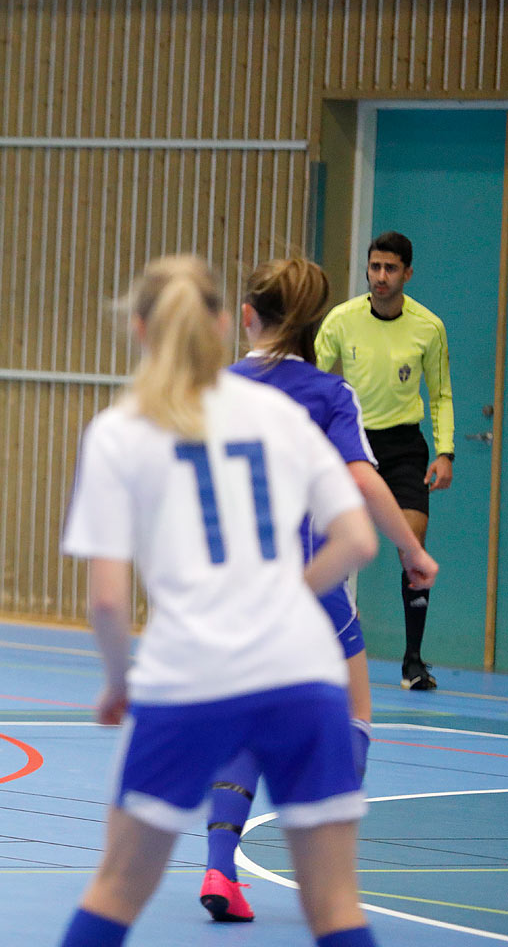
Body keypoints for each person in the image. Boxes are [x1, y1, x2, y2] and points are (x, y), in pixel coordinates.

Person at [58, 256, 380, 947]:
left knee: (115, 891)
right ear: (219, 322)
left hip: (190, 675)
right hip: (303, 670)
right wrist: (285, 599)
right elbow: (357, 537)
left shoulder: (122, 431)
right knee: (337, 909)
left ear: (140, 329)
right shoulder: (280, 412)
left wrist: (118, 686)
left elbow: (110, 603)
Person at [198, 257, 439, 923]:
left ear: (248, 316)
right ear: (315, 323)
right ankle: (330, 869)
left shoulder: (216, 389)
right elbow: (362, 481)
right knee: (354, 709)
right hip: (309, 579)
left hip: (232, 586)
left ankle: (219, 871)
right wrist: (411, 550)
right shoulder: (328, 395)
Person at [316, 231, 453, 690]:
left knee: (412, 548)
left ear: (407, 273)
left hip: (403, 448)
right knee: (341, 546)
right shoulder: (341, 320)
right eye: (374, 267)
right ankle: (329, 649)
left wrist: (445, 451)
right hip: (353, 441)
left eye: (390, 269)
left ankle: (413, 661)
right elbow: (313, 376)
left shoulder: (428, 327)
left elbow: (441, 395)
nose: (380, 277)